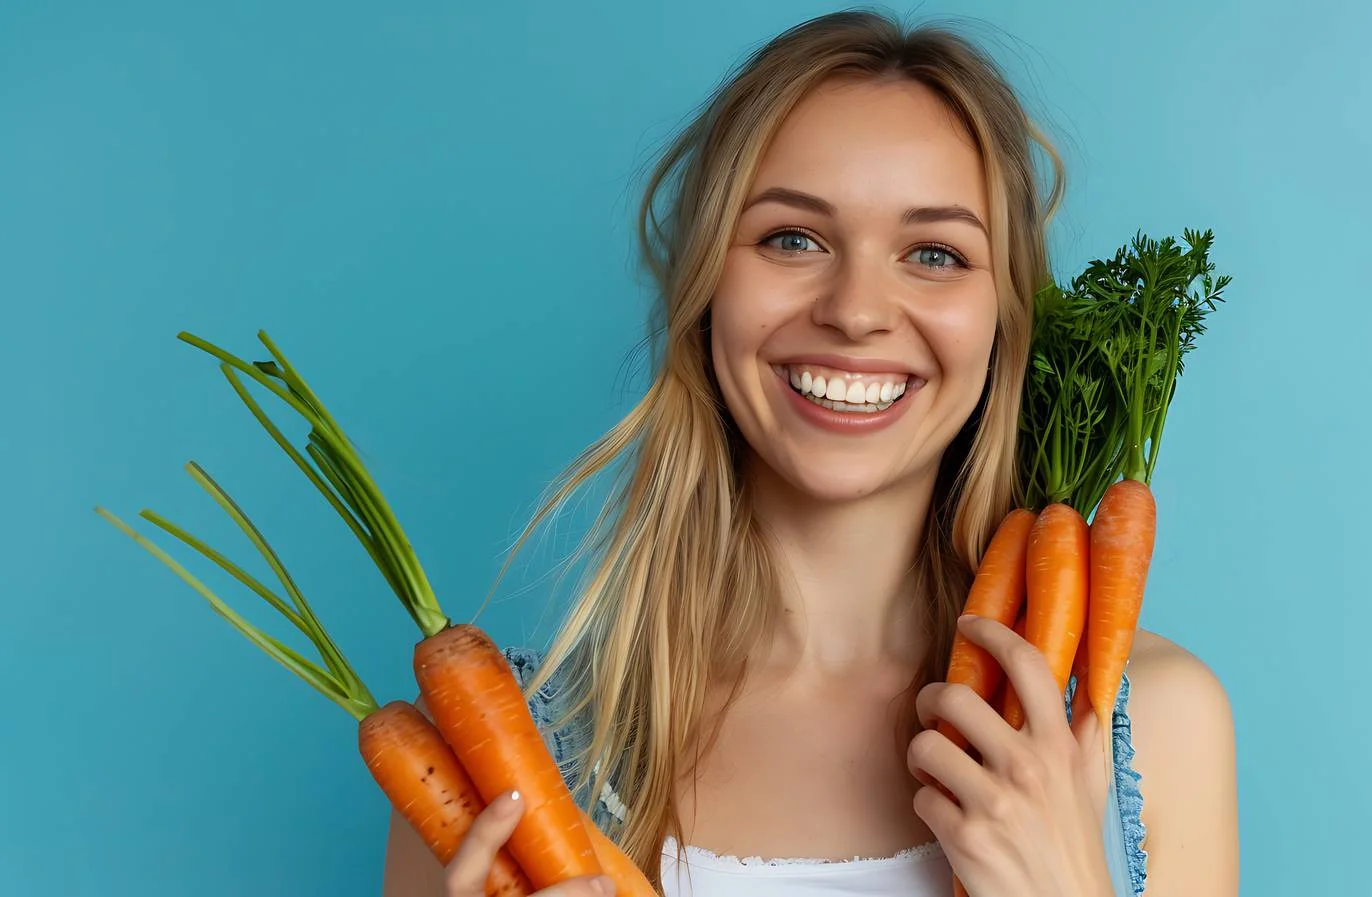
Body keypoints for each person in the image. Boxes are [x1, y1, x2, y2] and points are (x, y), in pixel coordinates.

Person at [382, 10, 1238, 897]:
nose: (857, 309)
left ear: (1002, 321)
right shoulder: (485, 766)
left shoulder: (1160, 721)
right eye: (793, 239)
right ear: (708, 286)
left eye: (935, 253)